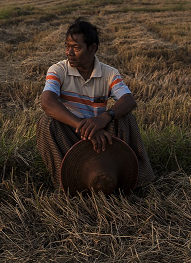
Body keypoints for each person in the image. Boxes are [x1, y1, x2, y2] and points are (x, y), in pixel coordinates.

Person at [37, 18, 154, 190]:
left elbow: (128, 100)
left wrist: (104, 118)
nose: (69, 52)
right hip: (72, 133)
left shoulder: (109, 73)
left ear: (92, 49)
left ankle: (134, 177)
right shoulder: (58, 70)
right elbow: (47, 102)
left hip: (102, 135)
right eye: (67, 46)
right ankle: (65, 184)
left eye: (76, 48)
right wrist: (85, 128)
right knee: (46, 122)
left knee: (126, 117)